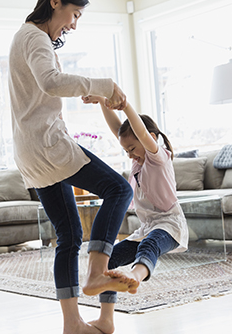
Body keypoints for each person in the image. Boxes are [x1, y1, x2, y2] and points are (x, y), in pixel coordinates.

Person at [8, 0, 137, 333]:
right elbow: (50, 82)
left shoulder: (27, 37)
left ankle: (73, 324)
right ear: (56, 2)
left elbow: (46, 87)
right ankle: (97, 272)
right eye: (75, 14)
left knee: (68, 236)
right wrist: (103, 85)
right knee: (120, 190)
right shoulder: (34, 37)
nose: (74, 24)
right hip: (48, 146)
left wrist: (87, 92)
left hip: (30, 151)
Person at [80, 96, 189, 334]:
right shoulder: (139, 160)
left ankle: (136, 275)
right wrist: (101, 102)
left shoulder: (157, 156)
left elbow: (137, 129)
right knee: (109, 261)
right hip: (148, 227)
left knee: (149, 245)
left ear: (148, 139)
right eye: (126, 150)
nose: (130, 155)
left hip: (170, 224)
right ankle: (106, 319)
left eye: (132, 149)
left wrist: (127, 106)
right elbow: (119, 129)